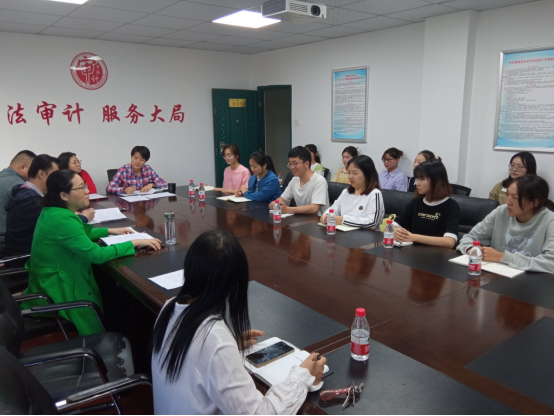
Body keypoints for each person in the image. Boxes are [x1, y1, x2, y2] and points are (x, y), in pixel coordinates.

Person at [151, 230, 327, 415]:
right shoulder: (214, 339)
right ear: (234, 284)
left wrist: (231, 345)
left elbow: (196, 360)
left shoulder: (169, 307)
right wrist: (302, 378)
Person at [22, 170, 162, 336]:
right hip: (60, 288)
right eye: (81, 188)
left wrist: (110, 230)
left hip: (55, 278)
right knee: (124, 311)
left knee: (115, 292)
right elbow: (97, 255)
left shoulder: (54, 211)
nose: (87, 191)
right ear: (64, 196)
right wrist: (134, 242)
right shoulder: (62, 219)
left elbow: (77, 234)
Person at [459, 175, 554, 274]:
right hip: (496, 276)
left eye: (515, 198)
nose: (508, 201)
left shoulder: (550, 221)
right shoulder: (501, 211)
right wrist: (473, 250)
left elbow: (551, 263)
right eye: (507, 195)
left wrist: (503, 257)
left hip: (531, 280)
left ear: (534, 203)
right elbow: (468, 238)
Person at [393, 159, 461, 248]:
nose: (417, 183)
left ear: (436, 180)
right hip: (412, 252)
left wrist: (413, 237)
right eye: (417, 178)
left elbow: (449, 242)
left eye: (421, 179)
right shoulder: (415, 202)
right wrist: (394, 231)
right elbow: (392, 225)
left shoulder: (451, 206)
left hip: (437, 254)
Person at [3, 155, 59, 257]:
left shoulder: (22, 191)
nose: (57, 180)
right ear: (41, 174)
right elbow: (58, 226)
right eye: (55, 175)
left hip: (19, 253)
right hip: (25, 258)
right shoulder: (31, 200)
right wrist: (83, 217)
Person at [321, 155, 384, 230]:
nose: (350, 176)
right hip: (343, 233)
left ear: (367, 174)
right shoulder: (346, 192)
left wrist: (343, 220)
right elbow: (335, 208)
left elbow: (372, 222)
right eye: (348, 172)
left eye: (355, 173)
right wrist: (327, 215)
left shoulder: (374, 194)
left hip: (365, 235)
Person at [269, 147, 329, 216]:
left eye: (295, 164)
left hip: (317, 220)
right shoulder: (294, 180)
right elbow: (282, 198)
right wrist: (275, 203)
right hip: (301, 219)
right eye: (290, 164)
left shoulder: (319, 181)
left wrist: (287, 209)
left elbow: (314, 208)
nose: (292, 167)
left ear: (306, 164)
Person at [0, 150, 36, 243]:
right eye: (33, 170)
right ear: (22, 167)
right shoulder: (19, 185)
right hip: (4, 241)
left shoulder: (2, 175)